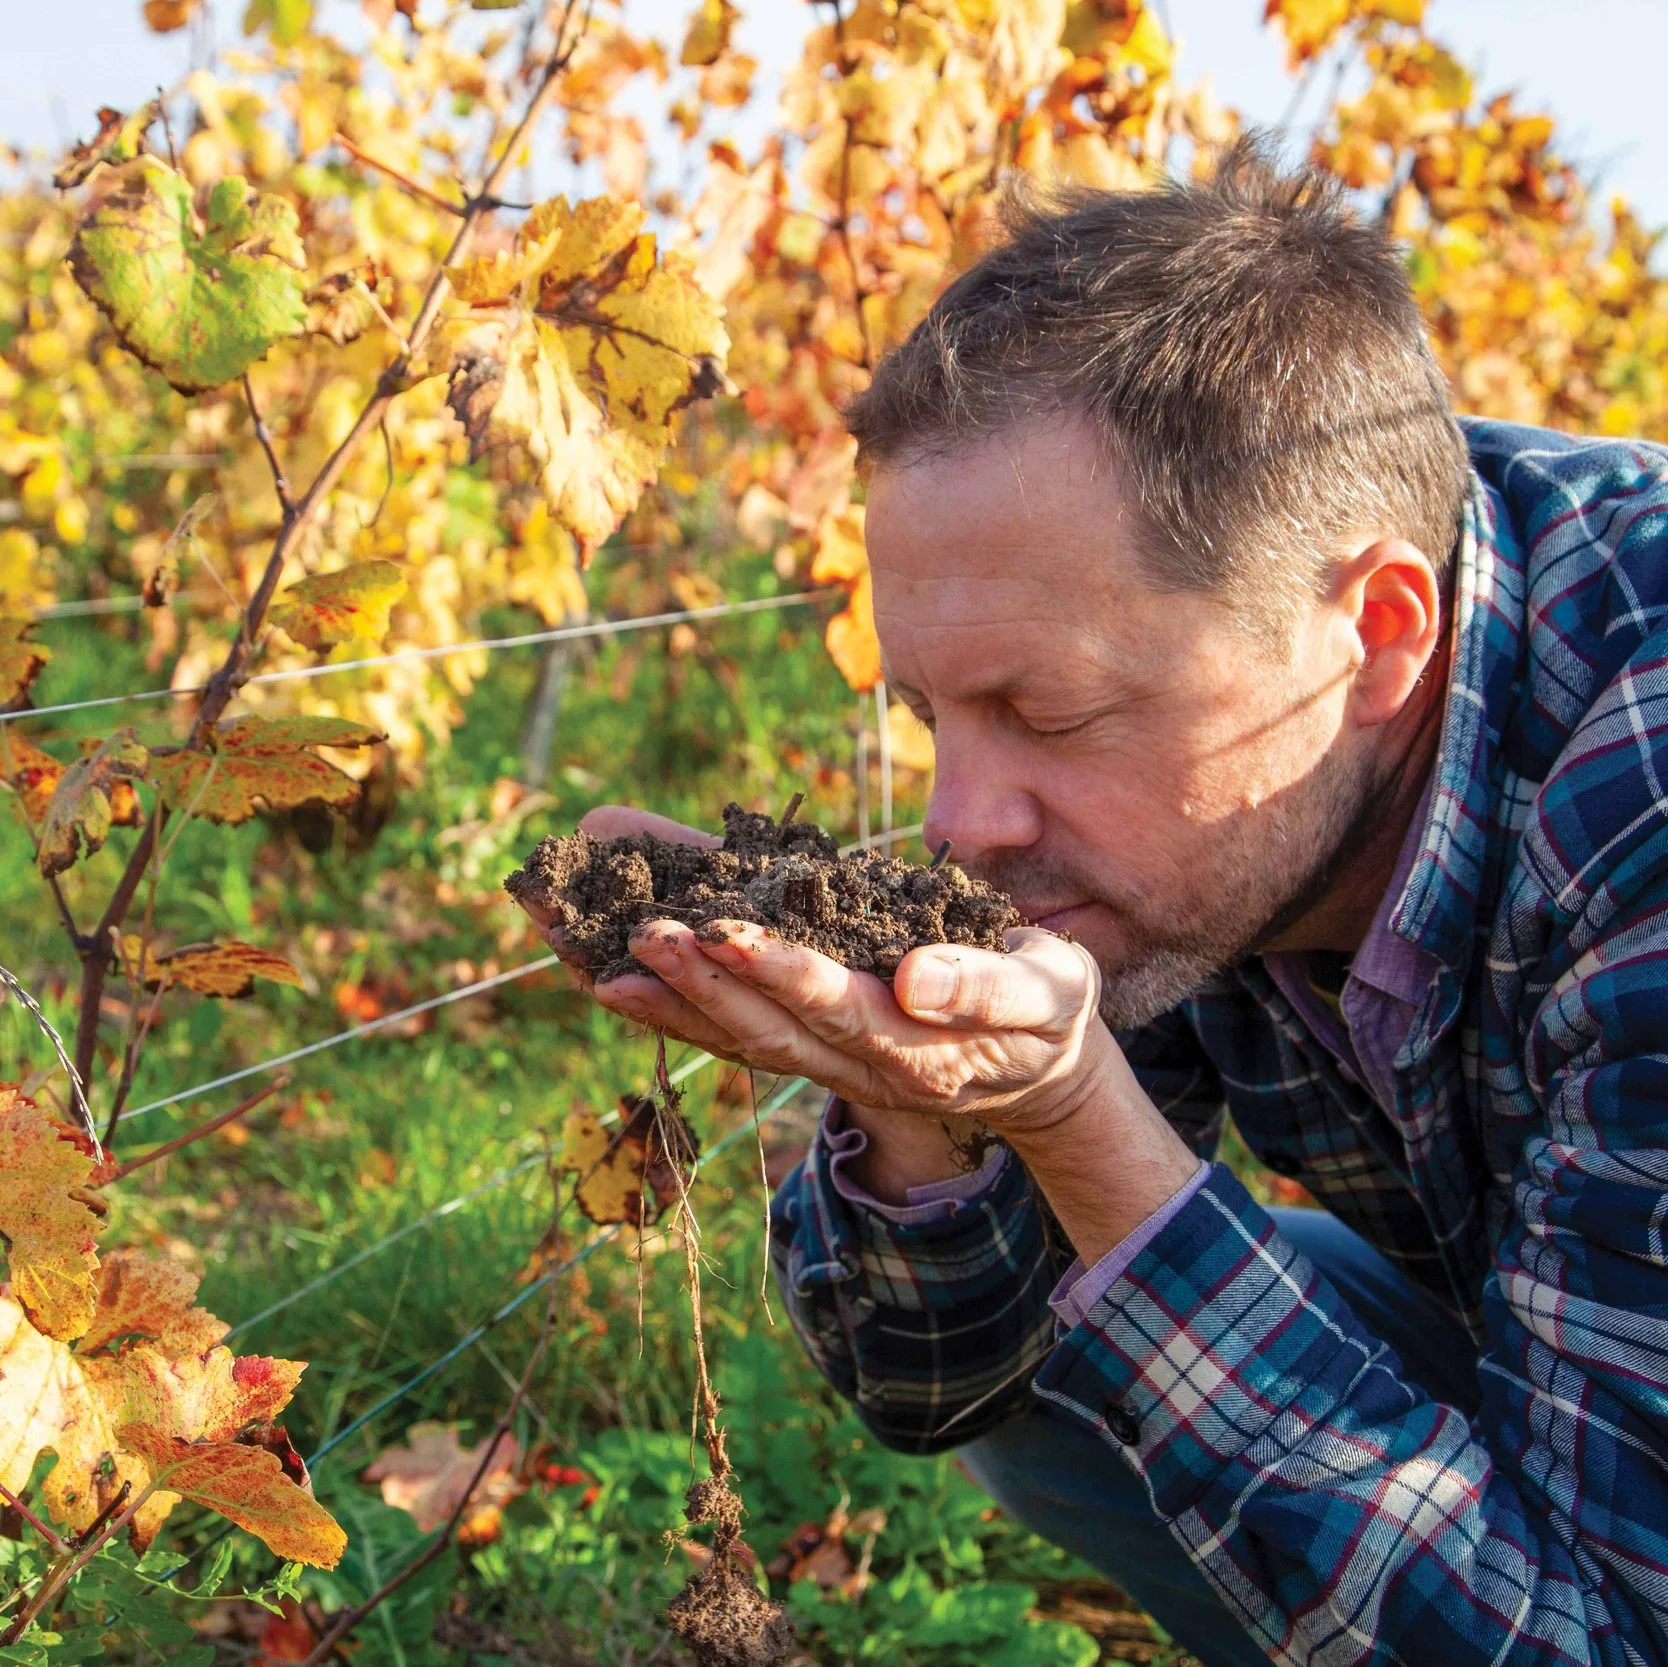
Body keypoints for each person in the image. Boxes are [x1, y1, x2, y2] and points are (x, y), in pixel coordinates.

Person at [523, 144, 1668, 1667]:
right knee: (1090, 1348)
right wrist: (921, 1106)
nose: (958, 825)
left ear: (1374, 635)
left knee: (1153, 1281)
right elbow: (939, 1385)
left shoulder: (1639, 809)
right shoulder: (1220, 790)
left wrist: (1081, 1122)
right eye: (933, 715)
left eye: (1046, 712)